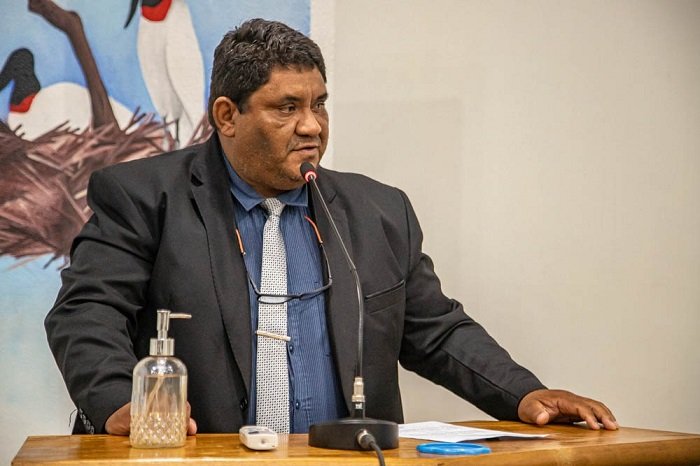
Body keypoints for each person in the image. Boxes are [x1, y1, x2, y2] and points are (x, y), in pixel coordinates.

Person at [45, 18, 617, 436]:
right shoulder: (146, 197)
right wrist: (119, 401)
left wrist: (527, 395)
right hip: (201, 458)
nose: (312, 126)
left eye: (319, 104)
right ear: (227, 116)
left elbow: (436, 332)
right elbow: (87, 310)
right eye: (286, 107)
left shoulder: (378, 211)